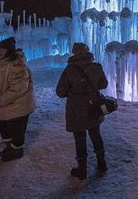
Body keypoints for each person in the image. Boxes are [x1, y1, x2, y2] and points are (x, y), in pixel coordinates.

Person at [56, 43, 109, 180]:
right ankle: (102, 163)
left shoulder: (70, 70)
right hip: (93, 107)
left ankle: (82, 170)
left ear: (74, 53)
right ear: (87, 52)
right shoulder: (97, 67)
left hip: (76, 108)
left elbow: (60, 92)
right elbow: (103, 84)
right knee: (96, 135)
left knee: (80, 139)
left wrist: (74, 92)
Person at [0, 37, 36, 161]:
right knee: (0, 124)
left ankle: (17, 150)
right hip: (7, 104)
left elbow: (19, 87)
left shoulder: (17, 64)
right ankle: (10, 147)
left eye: (2, 51)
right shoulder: (4, 63)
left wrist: (2, 100)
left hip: (18, 104)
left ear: (9, 51)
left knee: (16, 129)